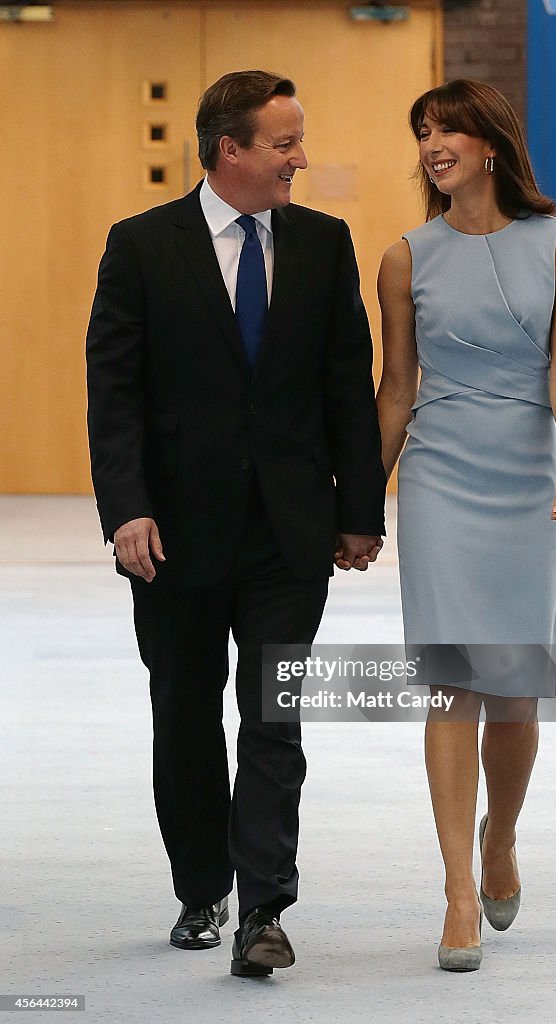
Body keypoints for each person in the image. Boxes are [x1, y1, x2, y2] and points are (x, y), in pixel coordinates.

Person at [86, 70, 385, 977]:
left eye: (299, 140)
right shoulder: (141, 245)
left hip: (288, 533)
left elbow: (346, 384)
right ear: (231, 151)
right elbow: (115, 392)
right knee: (183, 712)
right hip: (172, 533)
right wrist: (126, 507)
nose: (302, 158)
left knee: (272, 715)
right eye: (286, 143)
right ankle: (198, 889)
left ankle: (264, 906)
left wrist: (360, 510)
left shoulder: (324, 243)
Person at [376, 79, 556, 971]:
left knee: (514, 693)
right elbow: (395, 389)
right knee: (449, 684)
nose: (433, 141)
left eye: (448, 127)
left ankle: (502, 833)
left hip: (527, 482)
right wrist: (360, 502)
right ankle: (459, 890)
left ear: (490, 144)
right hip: (439, 480)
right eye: (423, 129)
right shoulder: (403, 257)